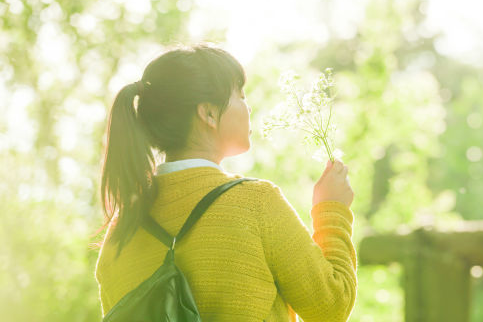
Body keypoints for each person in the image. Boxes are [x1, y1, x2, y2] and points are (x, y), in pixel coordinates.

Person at [94, 43, 357, 322]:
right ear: (207, 113)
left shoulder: (120, 233)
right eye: (240, 96)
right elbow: (331, 307)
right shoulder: (256, 204)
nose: (248, 106)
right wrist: (332, 210)